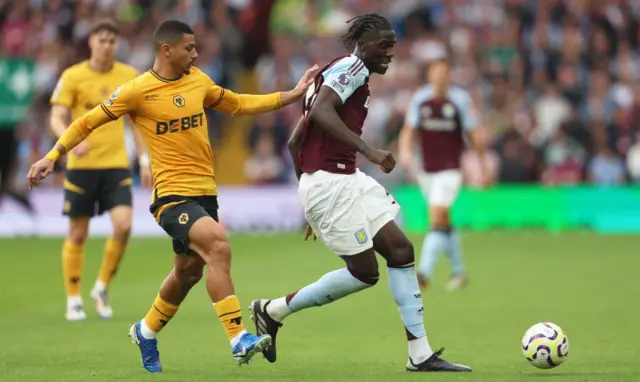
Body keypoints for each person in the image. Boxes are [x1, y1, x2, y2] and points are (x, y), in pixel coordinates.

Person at [28, 20, 317, 372]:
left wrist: (291, 94)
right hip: (171, 197)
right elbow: (87, 121)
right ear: (167, 50)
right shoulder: (137, 90)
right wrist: (52, 156)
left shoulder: (200, 82)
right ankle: (238, 337)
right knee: (219, 246)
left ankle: (145, 331)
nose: (196, 54)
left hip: (205, 193)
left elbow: (238, 103)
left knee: (188, 273)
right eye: (189, 48)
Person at [248, 14, 471, 372]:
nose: (390, 53)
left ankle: (420, 354)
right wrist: (367, 152)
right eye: (383, 46)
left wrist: (307, 195)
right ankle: (274, 309)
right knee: (364, 273)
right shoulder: (352, 68)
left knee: (400, 249)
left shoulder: (339, 72)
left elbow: (294, 142)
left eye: (393, 46)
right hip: (332, 182)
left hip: (342, 179)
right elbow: (320, 111)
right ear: (363, 44)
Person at [49, 19, 152, 322]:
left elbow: (137, 123)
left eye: (112, 41)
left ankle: (102, 287)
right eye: (102, 40)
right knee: (78, 233)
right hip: (82, 167)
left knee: (123, 226)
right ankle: (73, 299)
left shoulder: (128, 76)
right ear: (91, 42)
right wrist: (68, 141)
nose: (107, 45)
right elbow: (56, 116)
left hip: (115, 165)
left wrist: (144, 161)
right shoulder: (73, 76)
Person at [398, 59, 487, 291]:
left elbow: (474, 133)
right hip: (427, 170)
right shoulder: (420, 99)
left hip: (450, 169)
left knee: (436, 217)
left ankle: (423, 273)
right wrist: (405, 151)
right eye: (435, 73)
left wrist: (483, 165)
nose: (439, 78)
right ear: (429, 76)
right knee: (444, 221)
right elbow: (409, 129)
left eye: (443, 74)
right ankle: (459, 272)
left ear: (449, 77)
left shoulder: (460, 100)